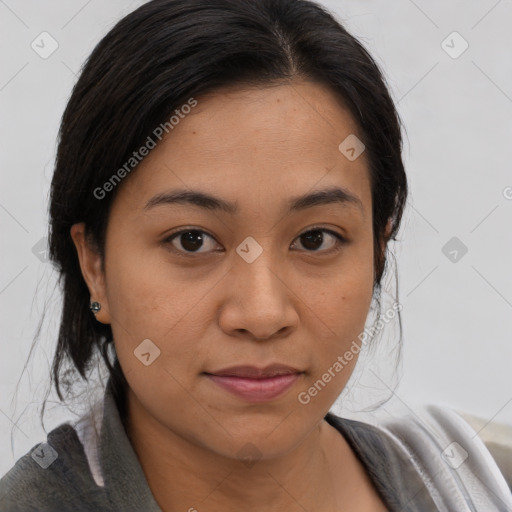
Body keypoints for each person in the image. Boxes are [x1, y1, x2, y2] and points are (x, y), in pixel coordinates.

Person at [1, 0, 511, 510]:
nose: (263, 314)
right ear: (95, 266)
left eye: (315, 239)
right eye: (192, 240)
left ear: (378, 249)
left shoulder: (476, 486)